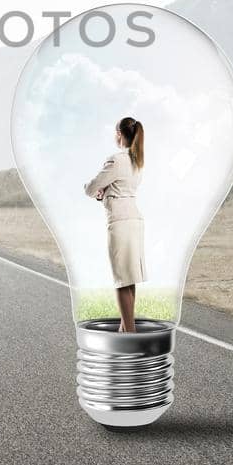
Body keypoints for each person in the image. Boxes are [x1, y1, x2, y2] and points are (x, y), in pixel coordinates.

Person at [84, 116, 146, 332]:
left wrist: (97, 192)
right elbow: (121, 188)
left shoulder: (116, 160)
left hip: (119, 222)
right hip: (135, 221)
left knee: (121, 280)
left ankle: (130, 333)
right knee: (130, 278)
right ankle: (124, 328)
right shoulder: (137, 161)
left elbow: (91, 187)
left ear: (119, 134)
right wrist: (106, 192)